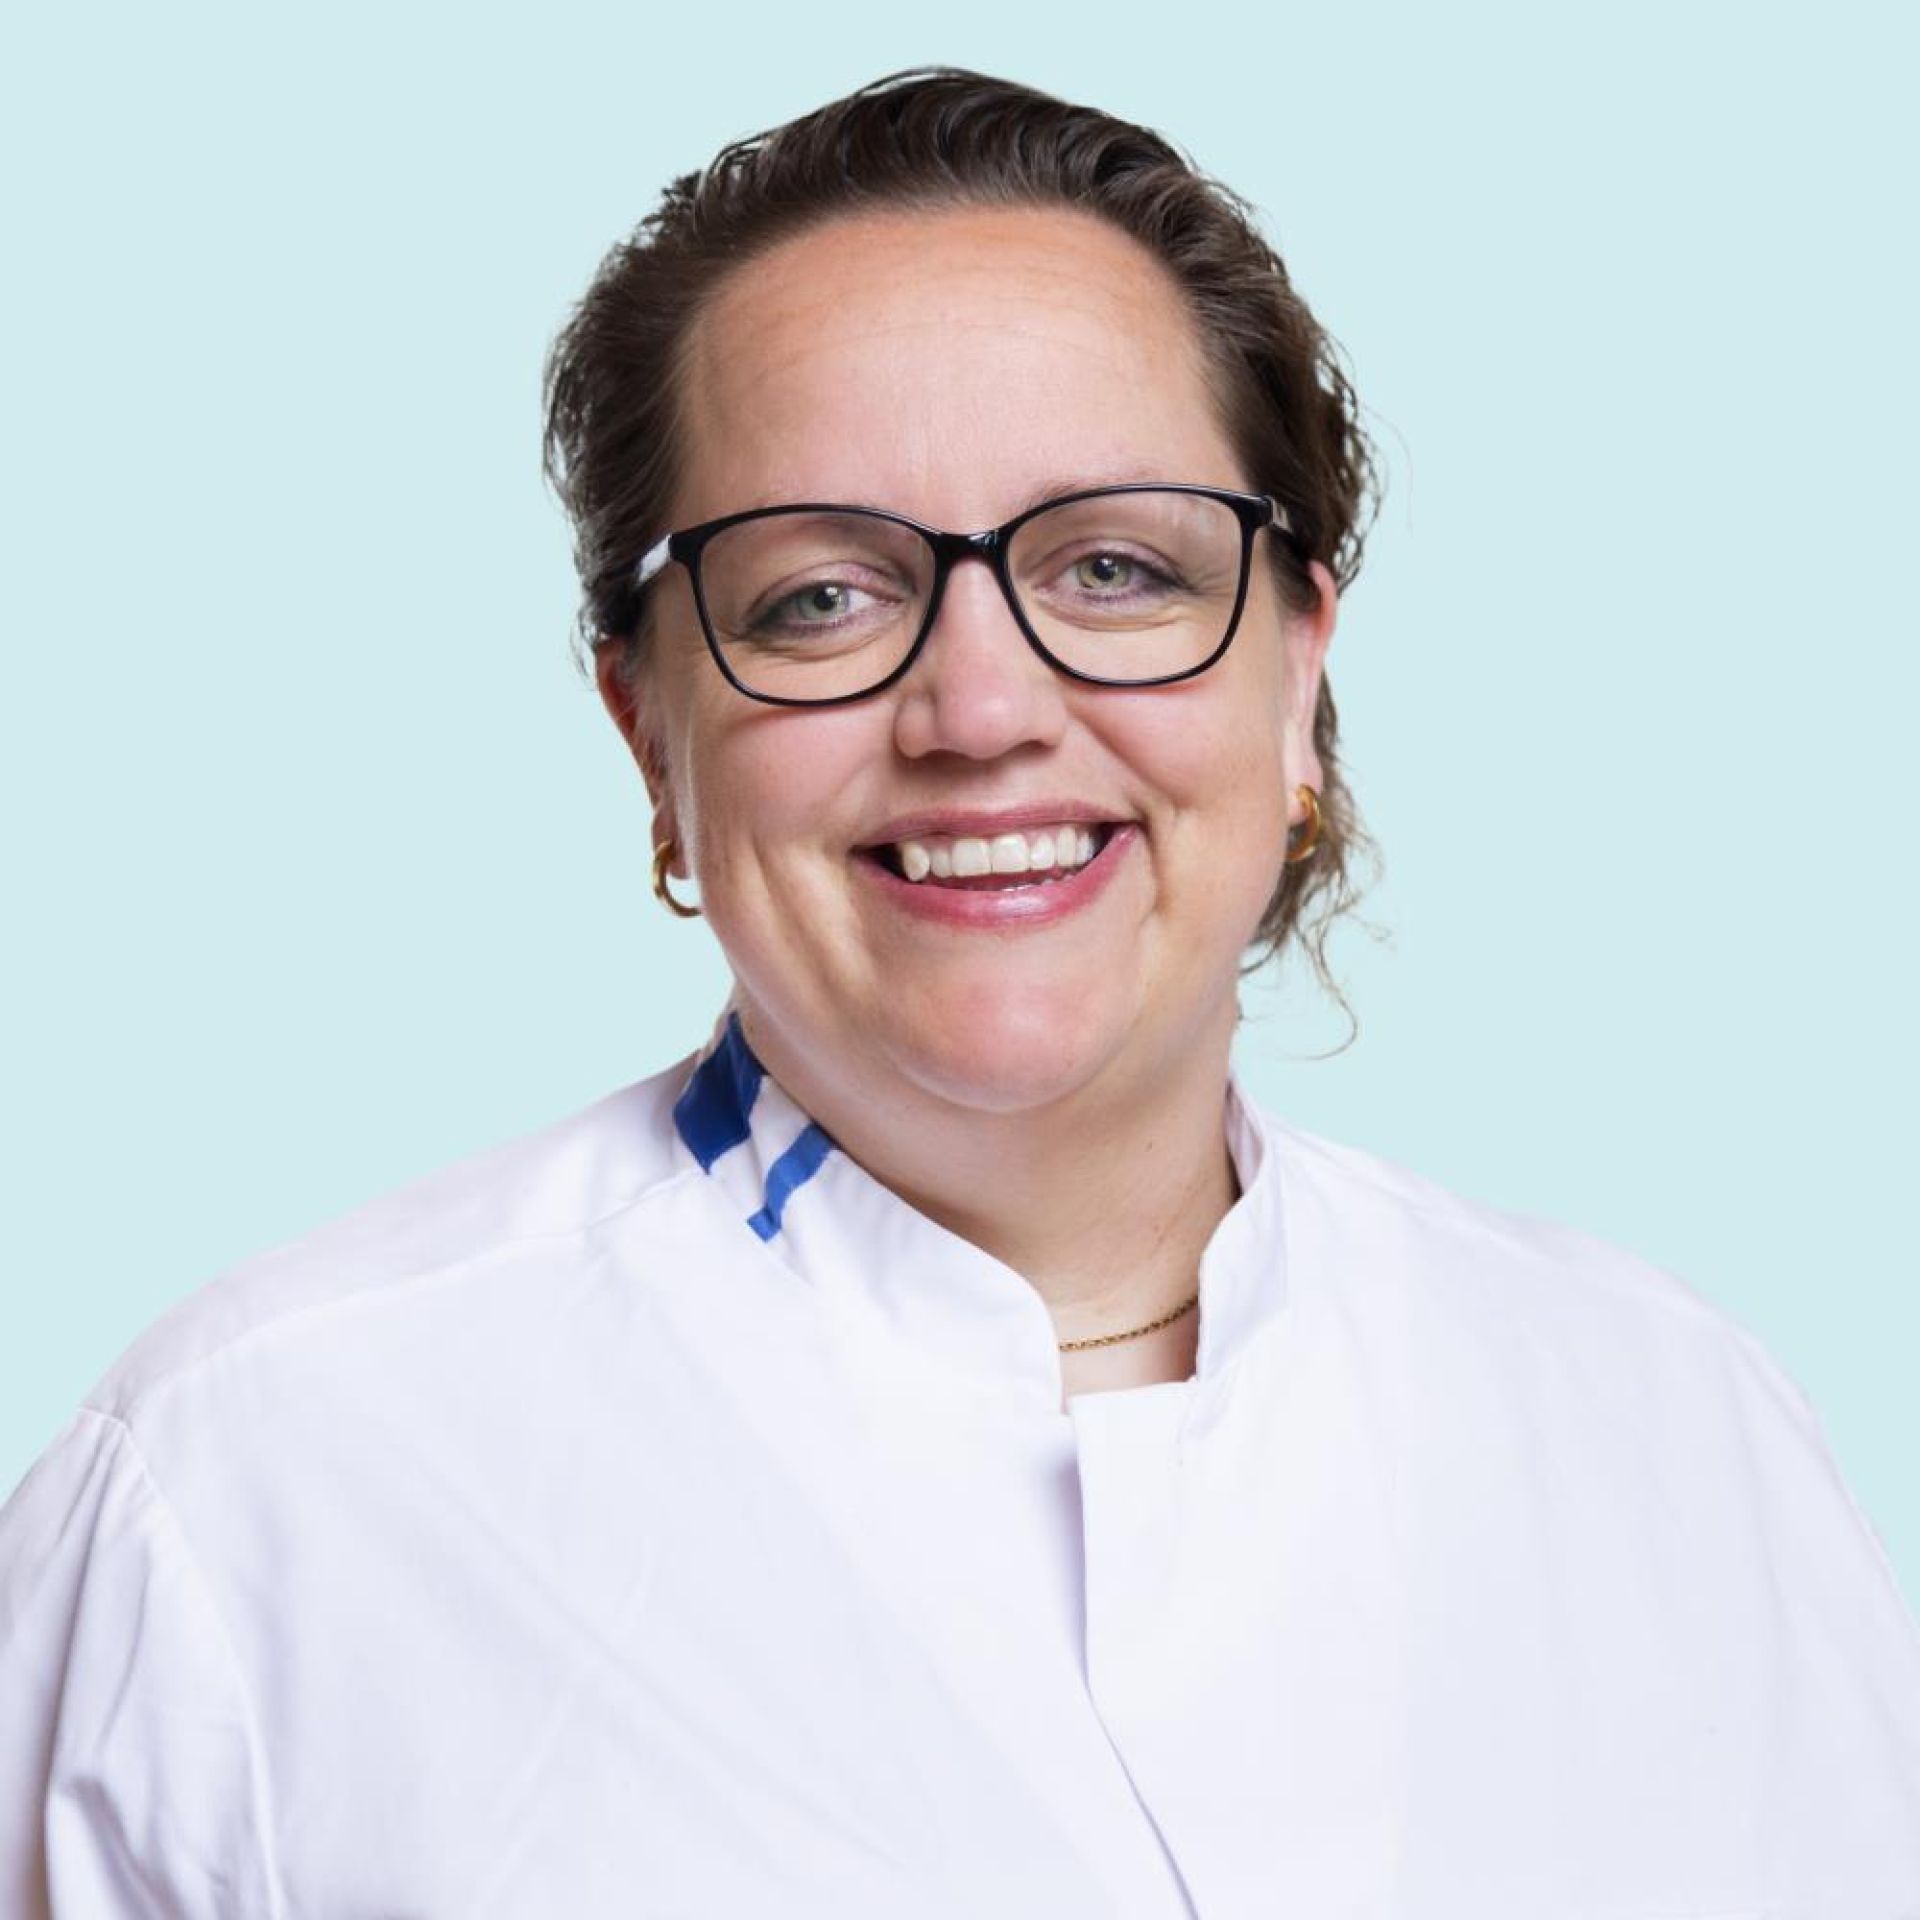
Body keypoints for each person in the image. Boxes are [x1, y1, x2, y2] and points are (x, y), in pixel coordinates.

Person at [2, 65, 1916, 1919]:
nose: (982, 709)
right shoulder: (252, 1495)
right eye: (817, 597)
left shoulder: (1685, 1435)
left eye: (1116, 568)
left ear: (1298, 677)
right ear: (650, 733)